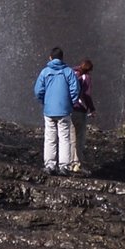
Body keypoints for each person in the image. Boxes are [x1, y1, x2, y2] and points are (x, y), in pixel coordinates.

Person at [33, 46, 80, 176]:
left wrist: (44, 101)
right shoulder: (68, 72)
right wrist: (71, 103)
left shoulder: (45, 72)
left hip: (49, 110)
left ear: (50, 57)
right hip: (64, 110)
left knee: (49, 138)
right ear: (62, 58)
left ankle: (50, 165)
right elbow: (75, 90)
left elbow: (38, 91)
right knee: (64, 138)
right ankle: (64, 166)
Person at [69, 59, 96, 174]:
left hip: (68, 109)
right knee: (79, 138)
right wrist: (92, 109)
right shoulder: (86, 77)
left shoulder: (70, 73)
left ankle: (67, 163)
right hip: (79, 110)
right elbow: (87, 95)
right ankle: (77, 164)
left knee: (70, 138)